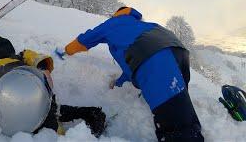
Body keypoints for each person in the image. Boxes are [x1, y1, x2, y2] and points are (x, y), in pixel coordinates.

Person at [58, 7, 204, 141]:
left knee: (178, 128)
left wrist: (65, 50)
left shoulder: (113, 23)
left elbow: (86, 39)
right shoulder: (142, 25)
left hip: (153, 56)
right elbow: (133, 67)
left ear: (117, 14)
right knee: (181, 107)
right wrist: (119, 83)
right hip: (178, 51)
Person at [0, 33, 106, 137]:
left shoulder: (14, 58)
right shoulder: (5, 61)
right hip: (23, 102)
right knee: (54, 118)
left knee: (53, 117)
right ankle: (91, 114)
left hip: (36, 95)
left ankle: (91, 114)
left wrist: (43, 68)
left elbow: (34, 57)